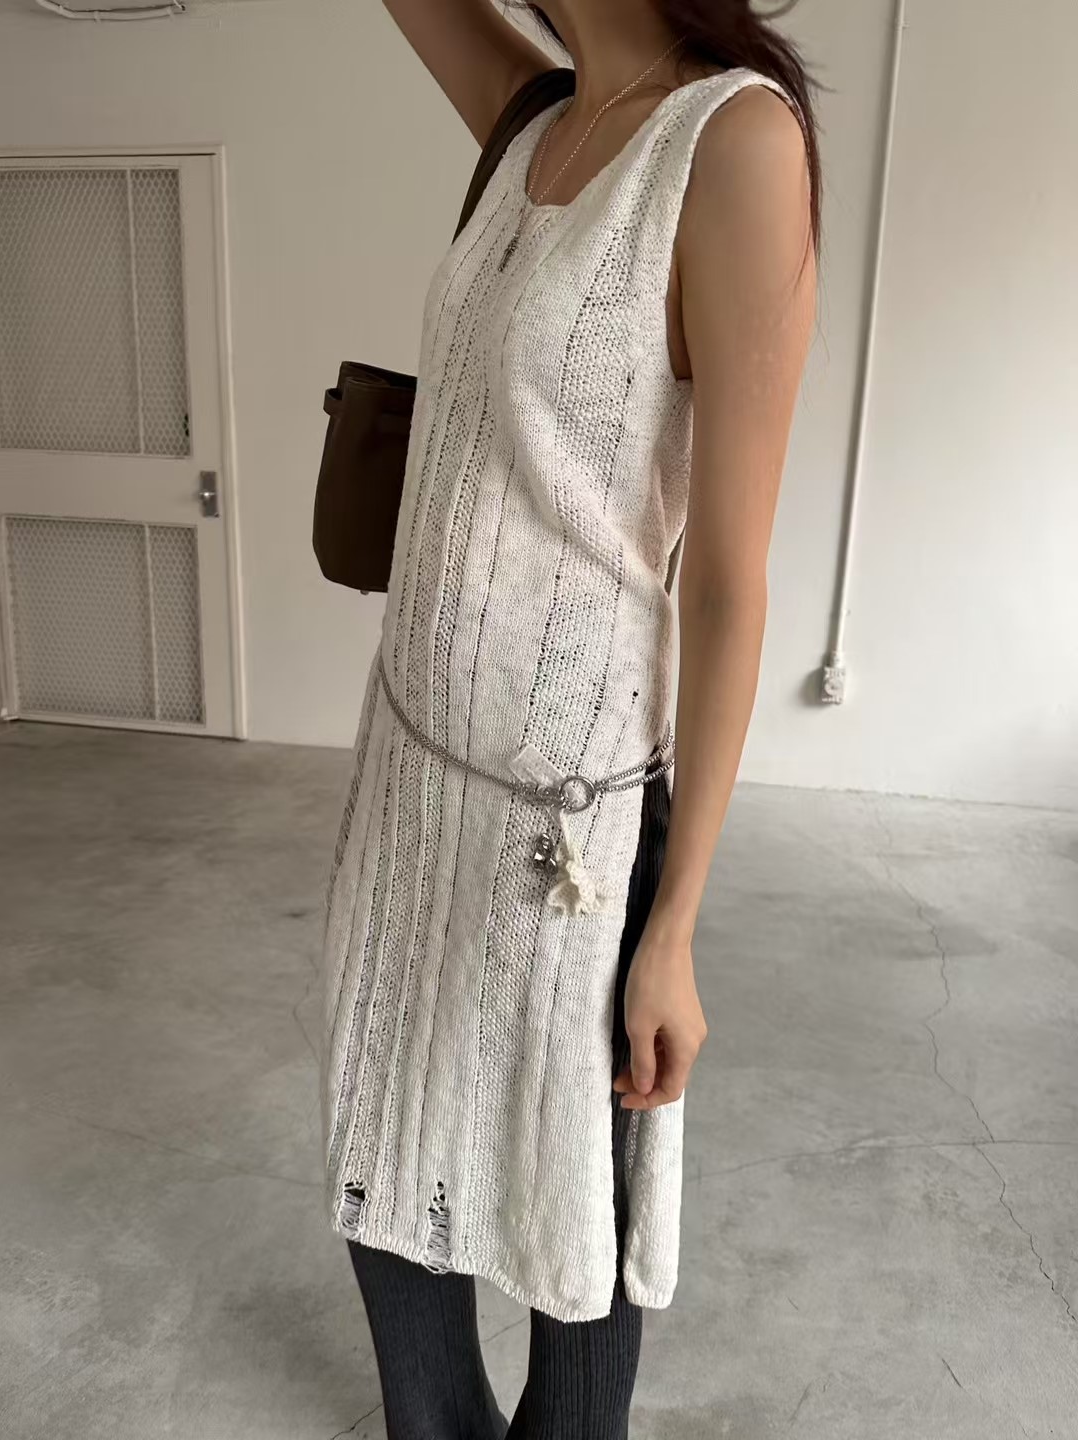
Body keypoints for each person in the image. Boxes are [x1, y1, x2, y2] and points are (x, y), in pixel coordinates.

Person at [320, 1, 820, 1433]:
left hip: (572, 833)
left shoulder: (733, 141)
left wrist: (675, 927)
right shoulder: (537, 107)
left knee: (573, 1210)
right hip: (412, 766)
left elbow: (728, 585)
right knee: (382, 1129)